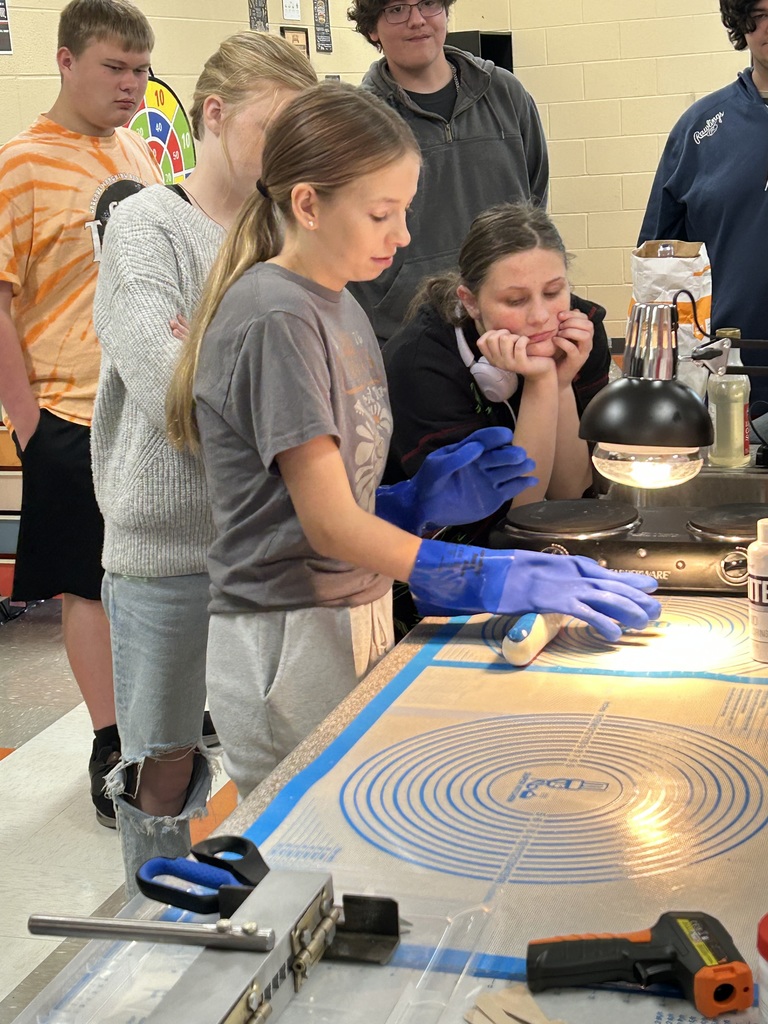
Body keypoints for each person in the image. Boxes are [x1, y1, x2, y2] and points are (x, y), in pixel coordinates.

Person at [166, 81, 660, 803]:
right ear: (308, 204)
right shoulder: (276, 317)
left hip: (353, 609)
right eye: (381, 214)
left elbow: (329, 500)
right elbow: (326, 525)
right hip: (288, 633)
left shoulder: (338, 307)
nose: (402, 237)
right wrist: (489, 577)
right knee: (310, 859)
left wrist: (412, 501)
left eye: (404, 211)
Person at [91, 32, 317, 891]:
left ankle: (287, 896)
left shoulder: (283, 230)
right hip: (168, 547)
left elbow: (309, 373)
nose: (290, 154)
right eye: (275, 128)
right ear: (213, 116)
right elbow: (173, 396)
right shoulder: (148, 225)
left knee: (287, 737)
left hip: (267, 539)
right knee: (165, 761)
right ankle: (161, 916)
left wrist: (218, 359)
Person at [0, 0, 161, 827]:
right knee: (88, 588)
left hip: (145, 401)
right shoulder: (20, 163)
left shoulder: (135, 149)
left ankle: (160, 719)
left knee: (152, 571)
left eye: (138, 70)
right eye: (113, 68)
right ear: (65, 62)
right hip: (66, 408)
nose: (130, 85)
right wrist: (26, 422)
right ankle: (109, 740)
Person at [384, 202, 611, 534]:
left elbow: (570, 493)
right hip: (426, 547)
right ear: (471, 301)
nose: (540, 316)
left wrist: (560, 387)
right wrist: (540, 382)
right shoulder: (421, 364)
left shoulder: (581, 330)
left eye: (553, 292)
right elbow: (509, 516)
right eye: (515, 301)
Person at [345, 0, 549, 345]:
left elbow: (535, 198)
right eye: (396, 9)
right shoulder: (359, 121)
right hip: (403, 336)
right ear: (372, 28)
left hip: (506, 325)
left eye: (428, 4)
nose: (417, 20)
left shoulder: (505, 94)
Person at [639, 0, 768, 408]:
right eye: (761, 13)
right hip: (731, 382)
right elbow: (657, 269)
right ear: (740, 21)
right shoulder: (700, 129)